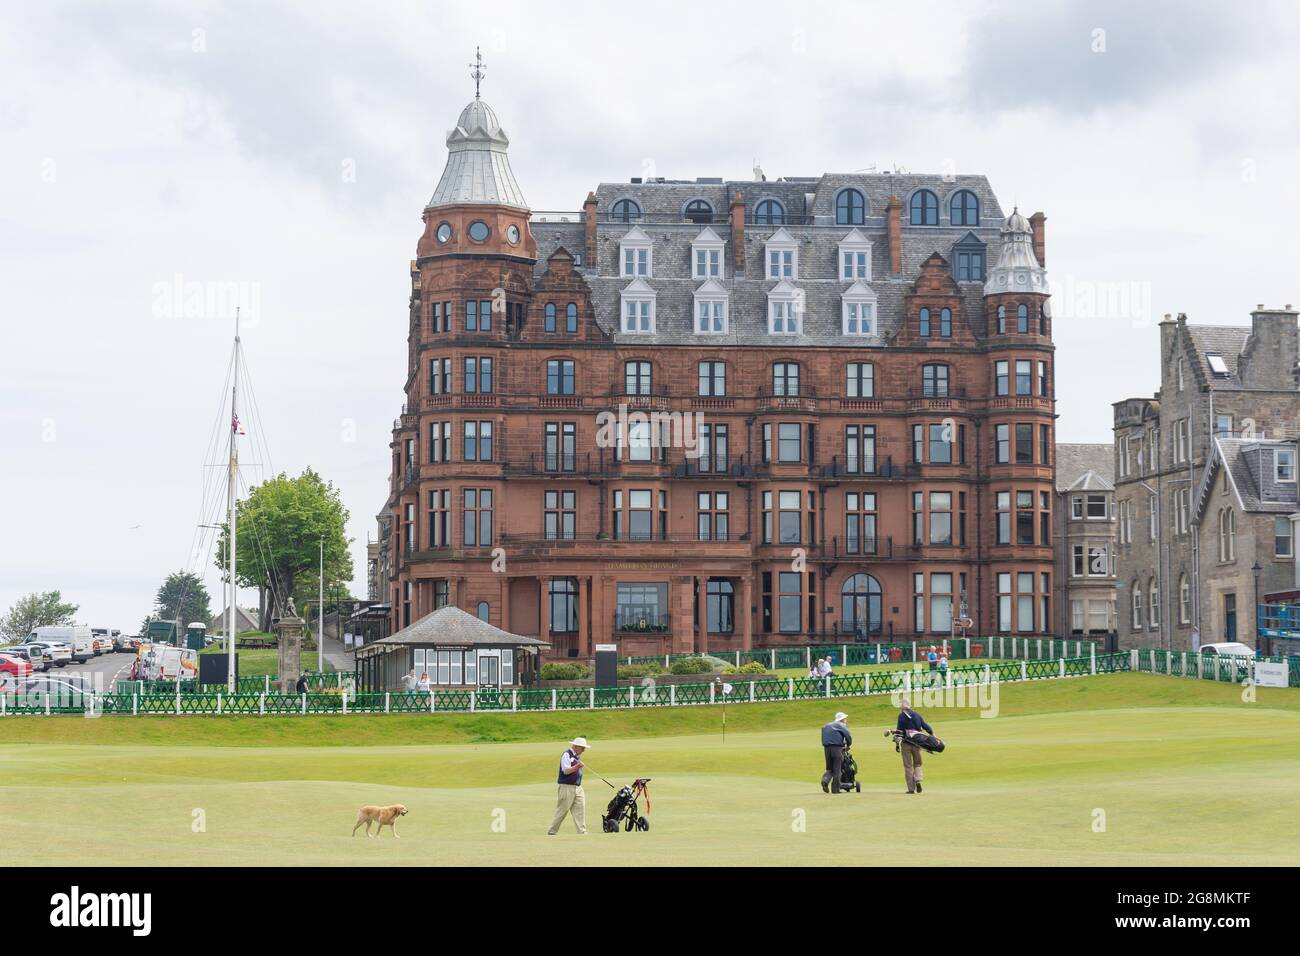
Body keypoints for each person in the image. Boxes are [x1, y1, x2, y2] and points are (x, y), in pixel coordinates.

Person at [548, 736, 589, 834]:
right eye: (582, 748)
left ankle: (582, 831)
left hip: (578, 787)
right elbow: (566, 771)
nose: (584, 750)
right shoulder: (567, 755)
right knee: (562, 811)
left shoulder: (576, 756)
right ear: (576, 746)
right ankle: (552, 831)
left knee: (580, 809)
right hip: (566, 787)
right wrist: (577, 766)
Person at [895, 698, 935, 794]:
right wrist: (933, 735)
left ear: (903, 706)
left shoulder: (901, 716)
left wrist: (896, 744)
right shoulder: (917, 714)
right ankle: (917, 779)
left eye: (900, 705)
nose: (900, 707)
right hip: (917, 743)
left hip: (906, 743)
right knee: (917, 763)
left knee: (908, 766)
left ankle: (911, 789)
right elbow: (926, 726)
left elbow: (899, 732)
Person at [820, 711, 852, 793]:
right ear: (842, 719)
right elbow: (848, 736)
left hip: (826, 749)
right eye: (845, 718)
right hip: (837, 748)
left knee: (829, 768)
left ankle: (825, 781)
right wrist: (848, 745)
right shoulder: (842, 725)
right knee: (837, 769)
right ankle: (835, 789)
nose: (846, 720)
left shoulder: (827, 725)